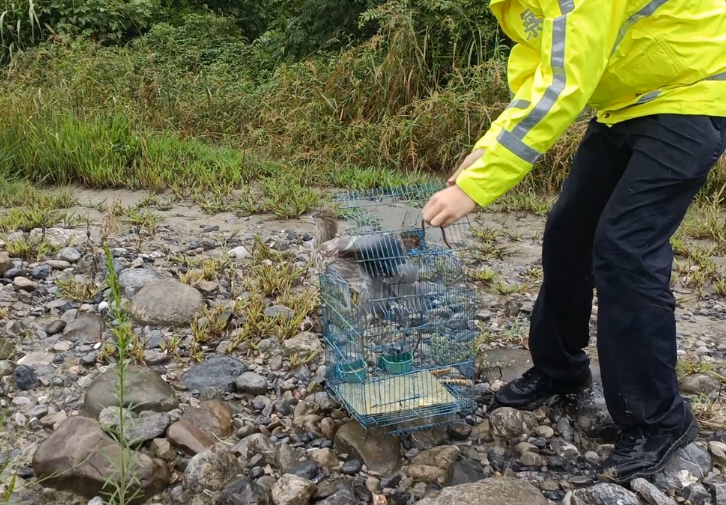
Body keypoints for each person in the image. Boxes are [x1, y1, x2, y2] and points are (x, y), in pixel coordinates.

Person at [421, 0, 726, 485]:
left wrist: (474, 187)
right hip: (624, 105)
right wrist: (485, 150)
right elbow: (537, 73)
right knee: (567, 231)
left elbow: (565, 84)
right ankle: (560, 370)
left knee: (625, 250)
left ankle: (660, 418)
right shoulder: (514, 4)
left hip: (690, 98)